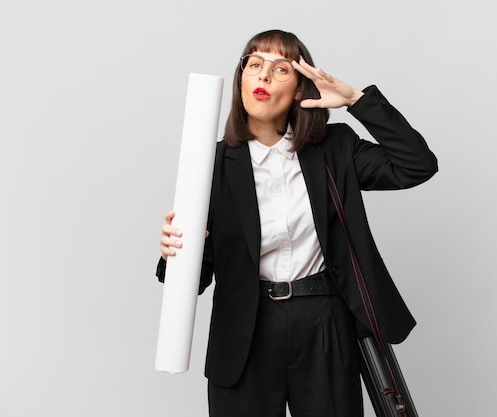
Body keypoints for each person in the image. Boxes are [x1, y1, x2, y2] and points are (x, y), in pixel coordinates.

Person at [156, 29, 438, 417]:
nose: (264, 76)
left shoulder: (335, 148)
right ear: (240, 80)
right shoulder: (212, 165)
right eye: (254, 65)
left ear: (300, 89)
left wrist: (356, 101)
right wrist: (175, 250)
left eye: (280, 68)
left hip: (324, 320)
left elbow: (417, 165)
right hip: (244, 328)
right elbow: (195, 277)